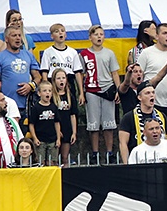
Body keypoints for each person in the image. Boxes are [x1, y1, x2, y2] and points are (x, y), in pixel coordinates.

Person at [79, 25, 120, 163]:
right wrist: (81, 92)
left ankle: (109, 152)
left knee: (109, 124)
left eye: (101, 34)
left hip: (107, 89)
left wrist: (118, 90)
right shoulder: (84, 54)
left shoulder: (109, 53)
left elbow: (114, 73)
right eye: (96, 34)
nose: (99, 37)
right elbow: (81, 73)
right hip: (91, 90)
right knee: (93, 124)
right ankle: (95, 152)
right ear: (90, 37)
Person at [0, 24, 41, 129]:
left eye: (19, 35)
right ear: (6, 39)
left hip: (26, 107)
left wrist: (31, 86)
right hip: (6, 107)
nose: (18, 38)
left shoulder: (28, 55)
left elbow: (38, 77)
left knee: (23, 140)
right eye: (14, 36)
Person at [138, 23, 167, 130]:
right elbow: (138, 78)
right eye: (164, 33)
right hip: (152, 104)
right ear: (157, 36)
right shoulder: (146, 53)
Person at [119, 80, 167, 164]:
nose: (151, 95)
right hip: (139, 160)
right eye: (147, 93)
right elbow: (123, 143)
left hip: (160, 159)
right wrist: (126, 165)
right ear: (139, 97)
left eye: (153, 92)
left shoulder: (161, 116)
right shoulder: (129, 117)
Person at [40, 23, 85, 105]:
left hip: (69, 82)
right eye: (57, 31)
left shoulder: (72, 52)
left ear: (66, 34)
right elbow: (44, 72)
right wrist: (47, 88)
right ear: (52, 36)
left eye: (62, 31)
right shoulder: (48, 52)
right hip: (53, 83)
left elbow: (77, 73)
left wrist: (81, 92)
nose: (60, 33)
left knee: (70, 109)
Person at [28, 81, 61, 166]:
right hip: (40, 139)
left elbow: (57, 123)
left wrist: (58, 138)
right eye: (45, 91)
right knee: (40, 162)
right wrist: (35, 138)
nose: (47, 93)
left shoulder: (54, 107)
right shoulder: (35, 108)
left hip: (52, 139)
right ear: (39, 93)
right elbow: (31, 124)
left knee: (52, 161)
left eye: (49, 91)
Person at [52, 68, 79, 166]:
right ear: (54, 80)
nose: (61, 80)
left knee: (65, 157)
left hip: (67, 128)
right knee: (54, 158)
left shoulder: (70, 96)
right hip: (55, 130)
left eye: (63, 78)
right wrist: (57, 131)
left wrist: (74, 132)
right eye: (58, 78)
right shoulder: (51, 96)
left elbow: (73, 115)